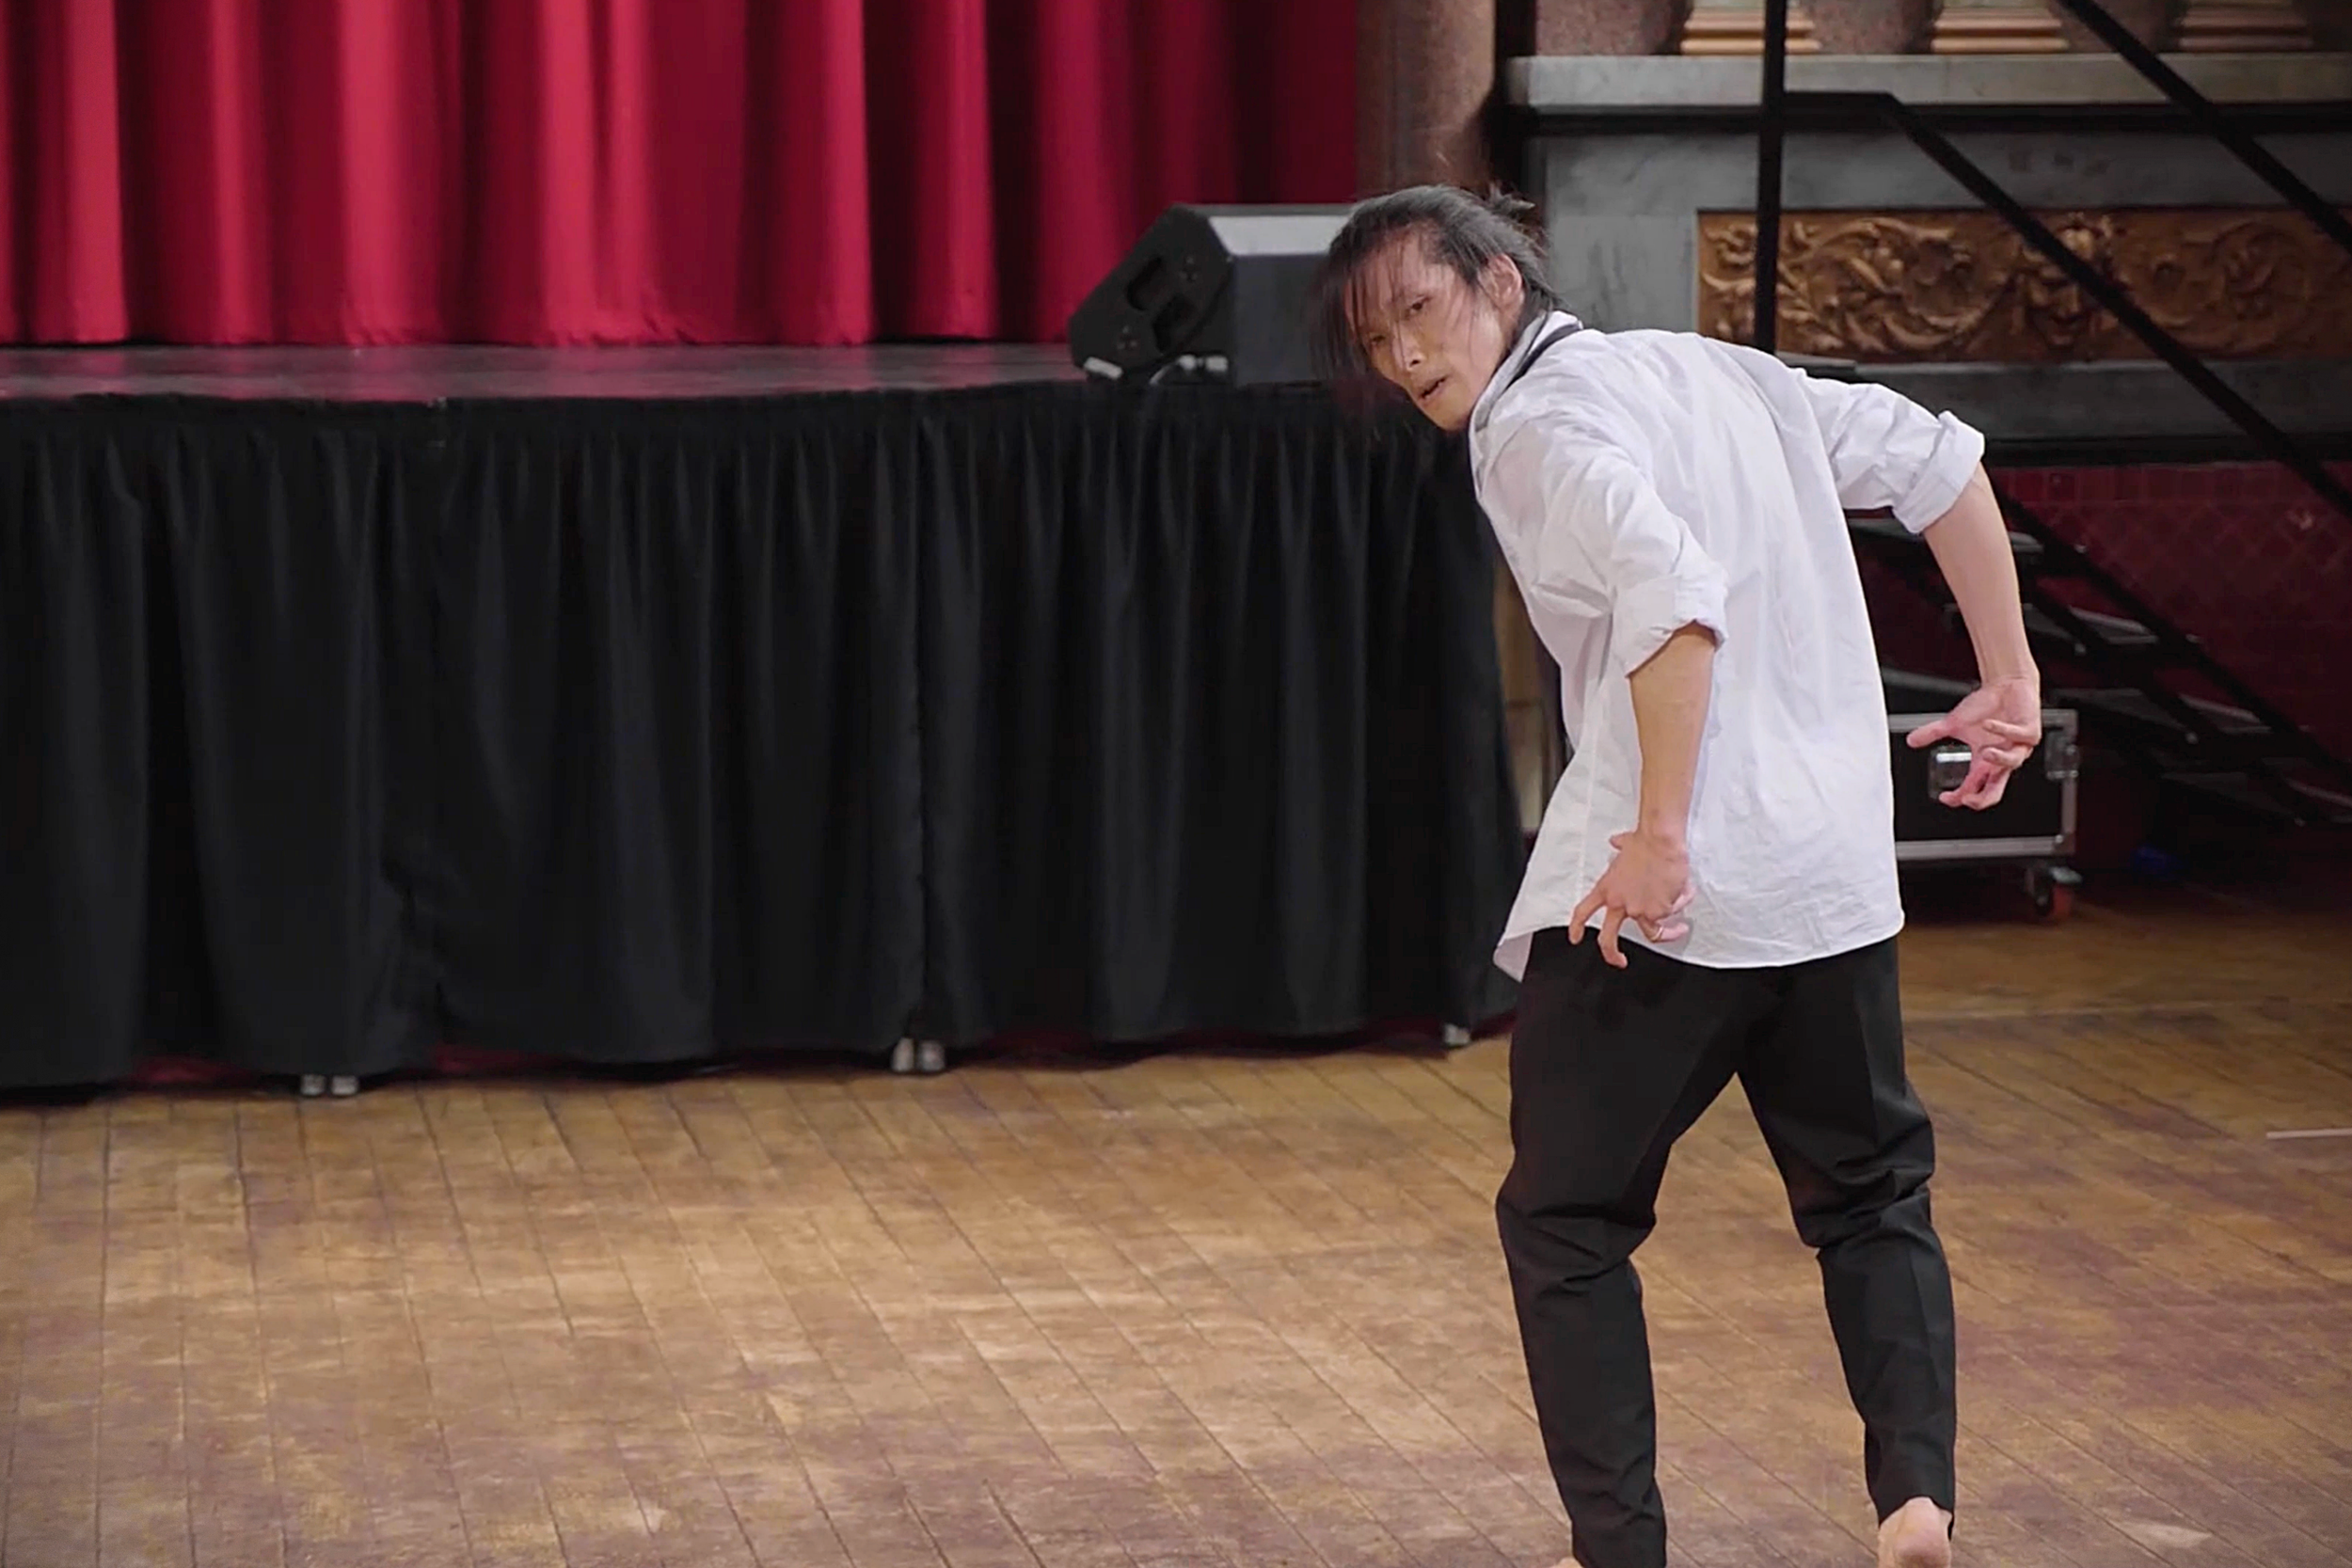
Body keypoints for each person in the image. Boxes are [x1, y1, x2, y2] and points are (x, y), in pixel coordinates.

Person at [1311, 184, 2042, 1568]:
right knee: (1872, 1195)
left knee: (1564, 1222)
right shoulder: (1725, 374)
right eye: (1376, 340)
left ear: (1500, 283)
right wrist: (2008, 672)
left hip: (1674, 901)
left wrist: (1656, 834)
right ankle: (1915, 1498)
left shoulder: (1536, 426)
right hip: (1829, 876)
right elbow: (1940, 463)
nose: (1404, 357)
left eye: (1419, 311)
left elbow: (1671, 599)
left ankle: (1623, 1549)